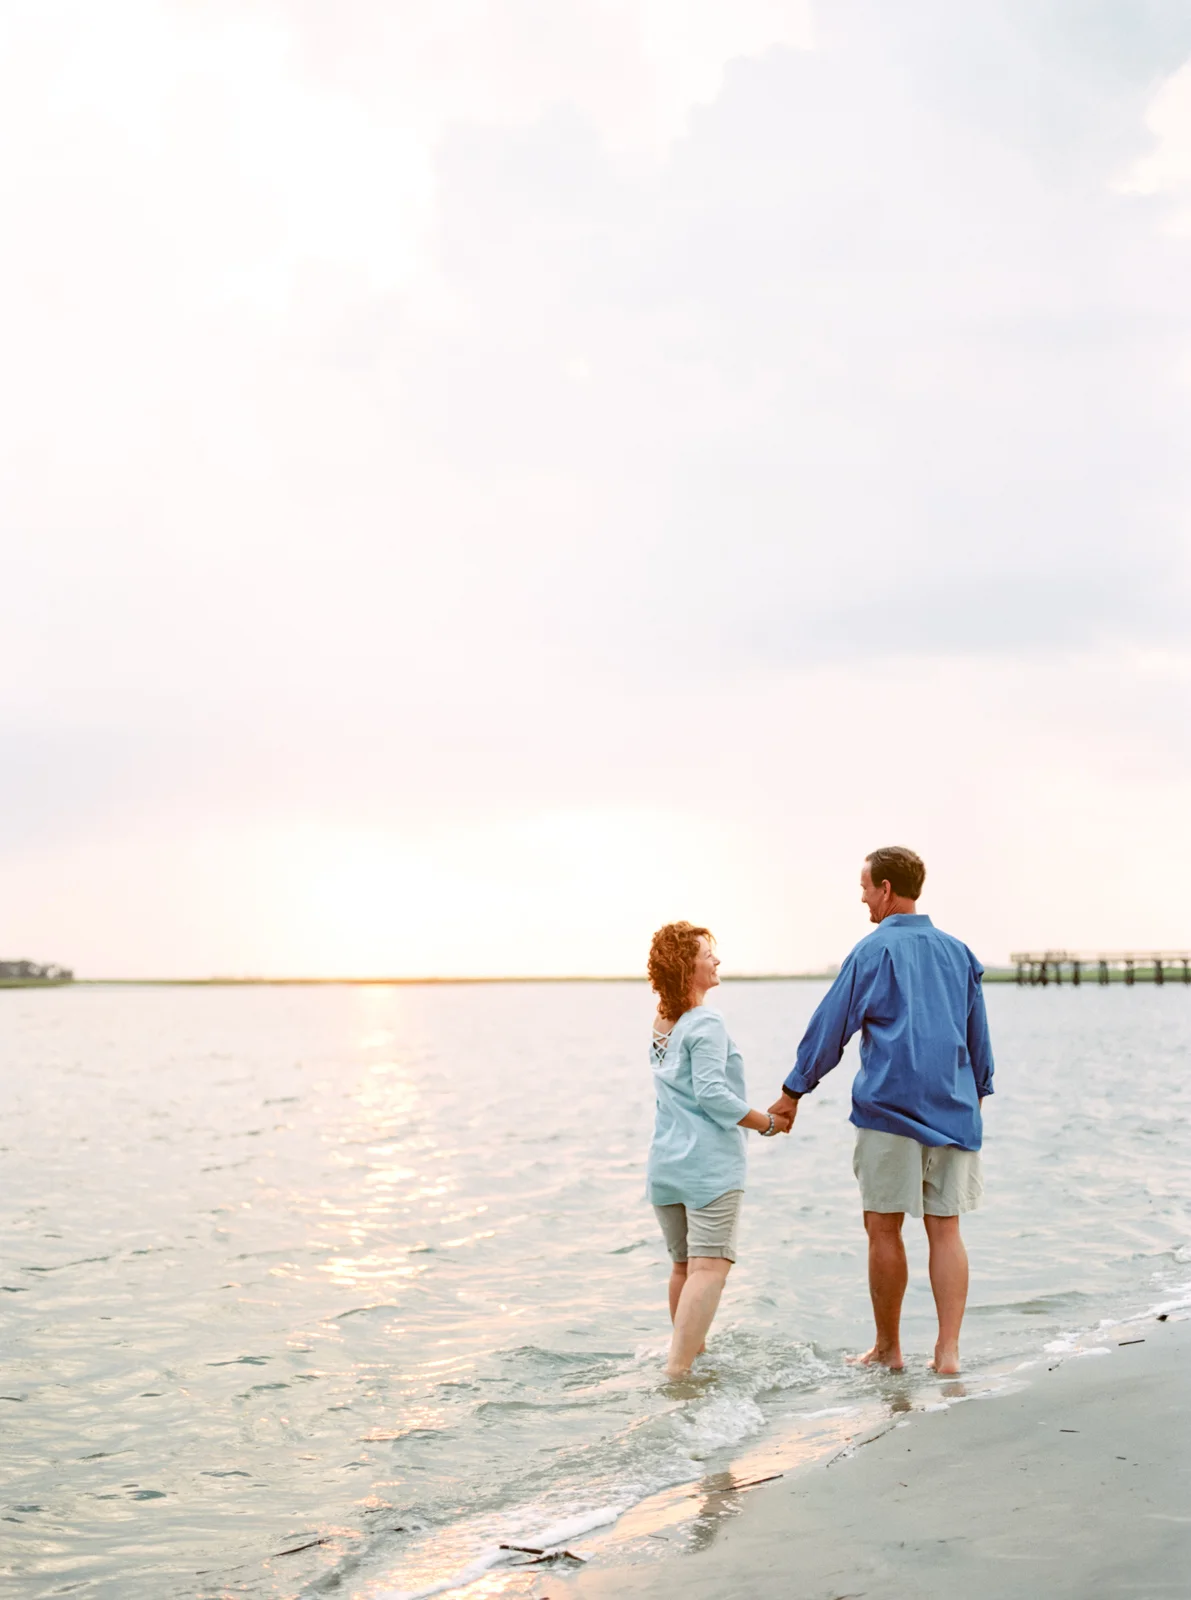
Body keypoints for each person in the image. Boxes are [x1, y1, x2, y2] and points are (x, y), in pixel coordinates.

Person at [767, 848, 994, 1375]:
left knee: (883, 1229)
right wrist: (974, 1097)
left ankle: (889, 1350)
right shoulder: (959, 952)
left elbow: (832, 1027)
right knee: (946, 1229)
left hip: (889, 1110)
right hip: (955, 1112)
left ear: (887, 888)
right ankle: (948, 1353)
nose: (863, 898)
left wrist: (793, 1091)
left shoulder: (871, 952)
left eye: (866, 888)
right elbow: (978, 1037)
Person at [647, 921, 791, 1379]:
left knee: (684, 1268)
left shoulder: (662, 1023)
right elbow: (711, 1094)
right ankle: (678, 1371)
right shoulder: (706, 1021)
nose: (717, 961)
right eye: (708, 954)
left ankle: (692, 1359)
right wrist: (767, 1123)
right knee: (709, 1268)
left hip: (666, 1166)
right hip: (707, 1167)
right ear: (687, 967)